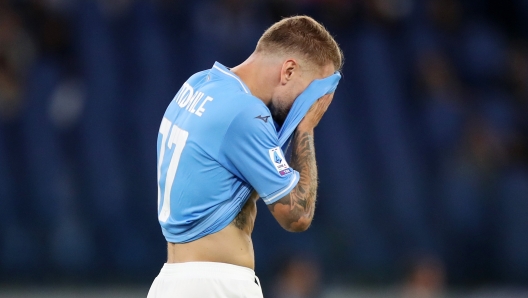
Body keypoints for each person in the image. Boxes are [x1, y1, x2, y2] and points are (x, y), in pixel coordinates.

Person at [148, 15, 343, 298]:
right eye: (309, 94)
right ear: (288, 70)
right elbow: (297, 215)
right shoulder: (245, 112)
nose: (309, 106)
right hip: (217, 285)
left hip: (171, 280)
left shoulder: (199, 84)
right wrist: (306, 128)